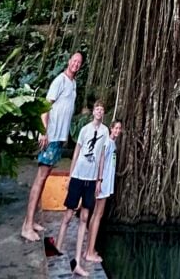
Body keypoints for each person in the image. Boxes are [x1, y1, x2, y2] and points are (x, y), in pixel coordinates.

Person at [21, 51, 83, 241]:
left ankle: (31, 221)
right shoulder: (60, 81)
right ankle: (26, 225)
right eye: (74, 61)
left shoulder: (73, 84)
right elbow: (44, 108)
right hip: (50, 136)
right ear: (68, 61)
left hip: (57, 138)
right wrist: (43, 132)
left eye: (79, 62)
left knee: (45, 177)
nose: (76, 64)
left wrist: (62, 137)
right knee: (40, 178)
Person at [55, 100, 109, 277]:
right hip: (78, 176)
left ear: (103, 113)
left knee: (84, 217)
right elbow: (77, 151)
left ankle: (77, 262)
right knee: (68, 215)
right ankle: (57, 247)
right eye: (97, 109)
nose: (99, 112)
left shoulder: (105, 131)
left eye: (102, 110)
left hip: (91, 180)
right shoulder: (85, 129)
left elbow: (101, 156)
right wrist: (70, 175)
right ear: (93, 112)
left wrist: (99, 179)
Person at [84, 119, 123, 266]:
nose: (117, 131)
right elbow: (100, 160)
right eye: (115, 128)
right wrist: (99, 180)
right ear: (111, 128)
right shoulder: (107, 142)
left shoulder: (112, 143)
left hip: (106, 183)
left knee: (96, 215)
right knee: (97, 215)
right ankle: (89, 252)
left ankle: (89, 249)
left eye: (119, 129)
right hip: (102, 183)